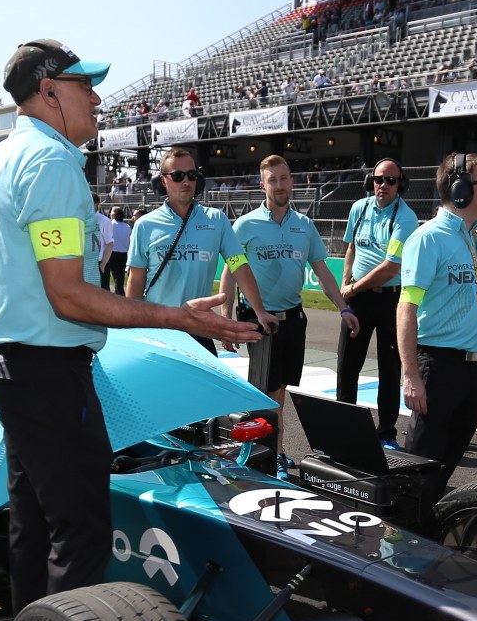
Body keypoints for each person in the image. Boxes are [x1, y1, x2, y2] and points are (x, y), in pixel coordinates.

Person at [0, 38, 256, 609]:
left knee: (34, 523)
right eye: (85, 86)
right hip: (46, 372)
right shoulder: (50, 164)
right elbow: (70, 296)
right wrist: (178, 317)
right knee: (81, 531)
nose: (97, 99)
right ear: (49, 92)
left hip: (5, 366)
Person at [397, 152, 477, 515]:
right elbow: (406, 309)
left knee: (447, 463)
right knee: (420, 464)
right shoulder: (428, 239)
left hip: (474, 371)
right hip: (437, 366)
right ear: (460, 188)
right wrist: (411, 376)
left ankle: (426, 527)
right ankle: (397, 536)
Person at [222, 155, 350, 466]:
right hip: (259, 320)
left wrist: (344, 309)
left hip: (294, 320)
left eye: (284, 178)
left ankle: (267, 450)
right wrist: (226, 319)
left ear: (292, 182)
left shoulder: (304, 226)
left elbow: (321, 271)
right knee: (265, 392)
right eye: (273, 180)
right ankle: (266, 453)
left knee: (280, 389)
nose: (279, 185)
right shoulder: (246, 224)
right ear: (262, 185)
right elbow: (231, 272)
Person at [126, 146, 264, 349]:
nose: (186, 181)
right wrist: (133, 329)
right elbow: (136, 281)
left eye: (191, 175)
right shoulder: (145, 225)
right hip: (157, 331)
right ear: (164, 180)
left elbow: (238, 265)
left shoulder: (216, 220)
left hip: (199, 330)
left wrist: (259, 310)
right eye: (178, 175)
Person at [338, 158, 421, 444]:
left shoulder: (406, 217)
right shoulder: (358, 209)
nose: (383, 185)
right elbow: (350, 247)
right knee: (347, 365)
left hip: (389, 302)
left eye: (390, 180)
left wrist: (352, 289)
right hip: (358, 299)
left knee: (389, 369)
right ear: (370, 181)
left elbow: (390, 266)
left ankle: (386, 433)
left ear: (401, 185)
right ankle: (344, 426)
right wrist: (345, 280)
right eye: (378, 179)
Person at [102, 206, 130, 293]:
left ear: (113, 215)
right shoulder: (127, 226)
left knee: (115, 276)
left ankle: (119, 293)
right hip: (124, 253)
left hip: (113, 253)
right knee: (121, 276)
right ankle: (119, 291)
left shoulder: (111, 224)